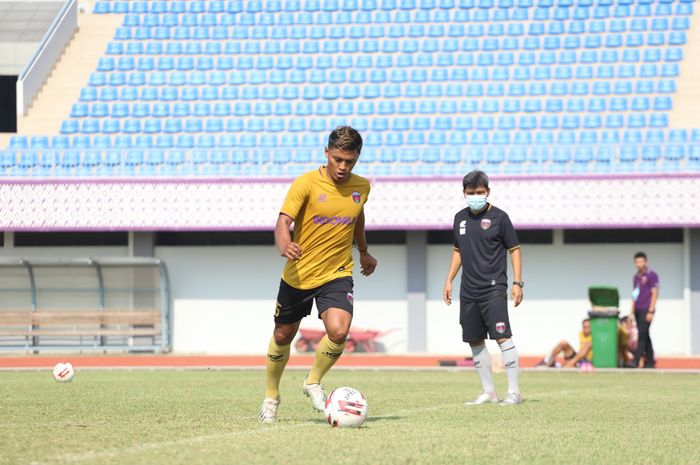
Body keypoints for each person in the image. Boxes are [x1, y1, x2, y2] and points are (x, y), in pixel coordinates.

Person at [258, 126, 377, 423]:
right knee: (283, 335)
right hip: (299, 274)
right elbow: (283, 221)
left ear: (357, 157)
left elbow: (357, 217)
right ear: (326, 153)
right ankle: (271, 397)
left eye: (349, 161)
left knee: (339, 330)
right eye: (337, 159)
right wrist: (285, 244)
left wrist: (363, 251)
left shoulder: (361, 187)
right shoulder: (306, 184)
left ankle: (312, 381)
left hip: (336, 272)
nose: (343, 167)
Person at [443, 170, 524, 405]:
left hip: (493, 288)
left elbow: (515, 249)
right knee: (474, 340)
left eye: (480, 192)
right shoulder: (460, 218)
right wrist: (449, 279)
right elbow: (457, 250)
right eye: (471, 193)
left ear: (487, 192)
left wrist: (518, 283)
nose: (476, 196)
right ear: (464, 193)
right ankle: (489, 391)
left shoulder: (500, 217)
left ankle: (514, 392)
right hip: (468, 290)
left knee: (502, 336)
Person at [630, 252, 658, 368]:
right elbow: (634, 294)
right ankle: (650, 362)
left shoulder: (652, 275)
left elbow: (655, 293)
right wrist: (631, 311)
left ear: (646, 262)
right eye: (636, 262)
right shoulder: (636, 277)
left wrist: (651, 310)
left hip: (647, 309)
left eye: (640, 261)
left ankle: (635, 361)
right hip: (638, 309)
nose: (638, 264)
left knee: (641, 335)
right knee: (645, 334)